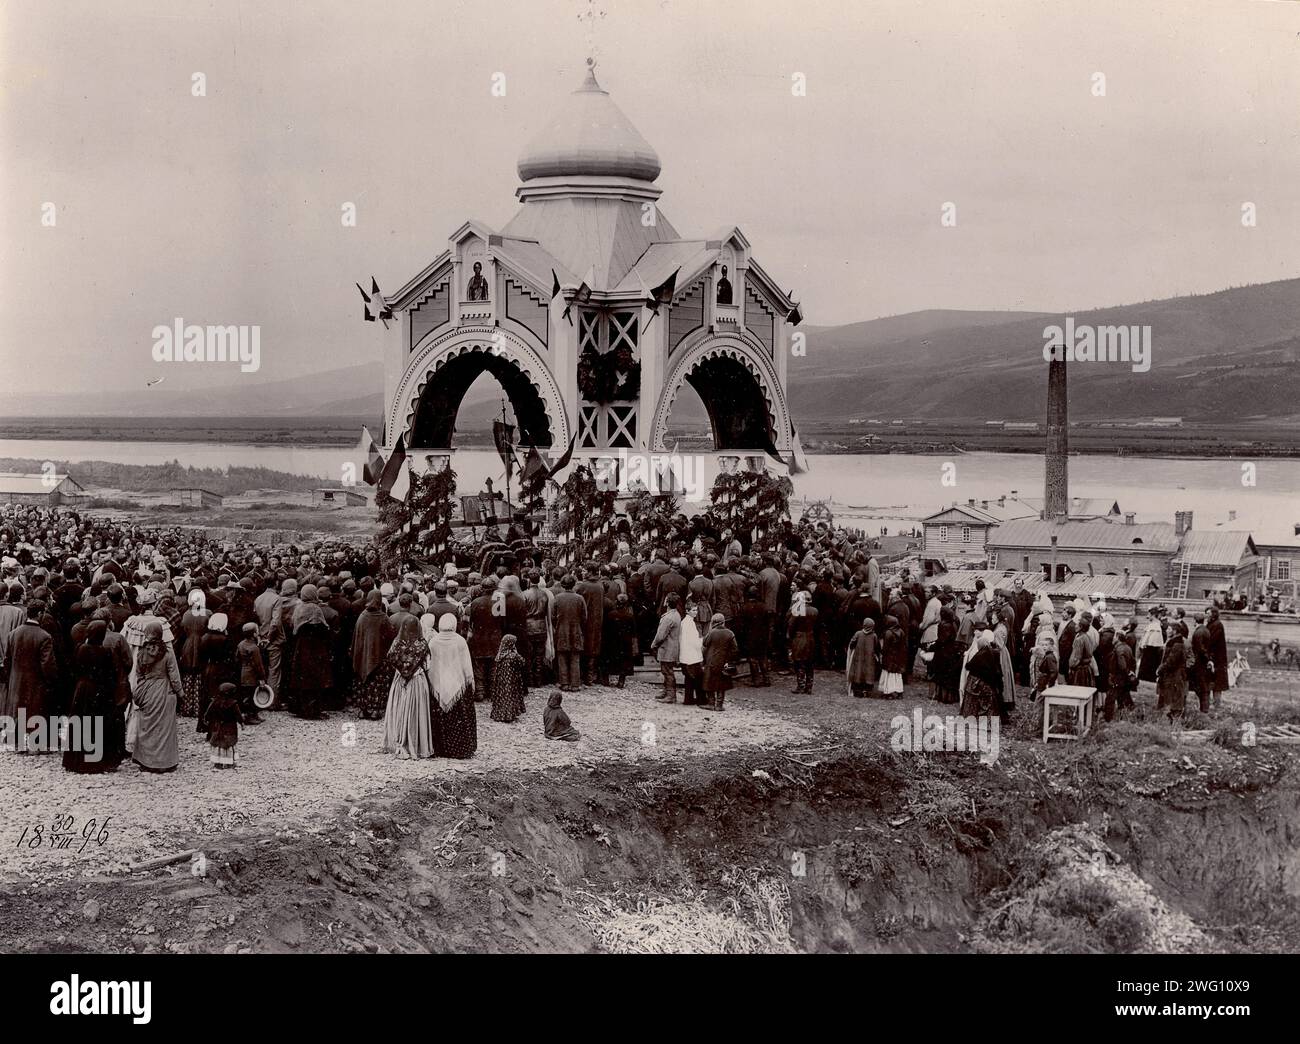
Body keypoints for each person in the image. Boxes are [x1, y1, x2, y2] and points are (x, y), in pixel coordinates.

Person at [63, 620, 123, 773]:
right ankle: (96, 759)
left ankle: (76, 760)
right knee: (98, 723)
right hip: (99, 690)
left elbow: (73, 669)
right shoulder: (106, 652)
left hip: (82, 688)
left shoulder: (80, 649)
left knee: (79, 722)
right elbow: (112, 675)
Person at [130, 619, 181, 773]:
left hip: (147, 689)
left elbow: (138, 673)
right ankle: (164, 762)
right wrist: (180, 692)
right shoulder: (167, 652)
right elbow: (174, 676)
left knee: (147, 725)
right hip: (164, 690)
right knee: (164, 727)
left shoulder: (142, 651)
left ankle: (145, 761)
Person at [381, 616, 434, 759]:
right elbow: (428, 665)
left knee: (398, 708)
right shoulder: (422, 644)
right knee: (416, 712)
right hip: (417, 681)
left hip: (399, 681)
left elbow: (391, 659)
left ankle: (396, 740)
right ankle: (415, 744)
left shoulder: (397, 642)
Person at [427, 613, 477, 759]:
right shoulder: (460, 641)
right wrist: (470, 682)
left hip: (438, 686)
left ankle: (440, 749)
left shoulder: (433, 642)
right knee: (459, 719)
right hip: (458, 688)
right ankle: (461, 750)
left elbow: (430, 667)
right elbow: (467, 666)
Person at [352, 589, 395, 719]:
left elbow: (356, 637)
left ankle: (362, 708)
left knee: (363, 682)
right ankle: (375, 709)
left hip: (362, 655)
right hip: (378, 656)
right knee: (377, 683)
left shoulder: (362, 616)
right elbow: (391, 636)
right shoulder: (383, 618)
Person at [551, 575, 586, 692]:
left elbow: (552, 617)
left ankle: (564, 683)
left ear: (562, 585)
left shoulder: (557, 598)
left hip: (561, 631)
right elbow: (584, 617)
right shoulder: (580, 598)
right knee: (575, 657)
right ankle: (575, 684)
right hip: (576, 630)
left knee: (562, 657)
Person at [700, 612, 738, 712]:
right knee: (722, 684)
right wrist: (728, 660)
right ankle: (719, 705)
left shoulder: (711, 633)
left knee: (709, 682)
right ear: (723, 622)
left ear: (713, 622)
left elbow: (704, 644)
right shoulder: (730, 633)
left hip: (711, 661)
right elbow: (735, 650)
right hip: (723, 662)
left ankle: (711, 703)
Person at [960, 631, 1002, 718]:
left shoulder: (981, 654)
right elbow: (996, 671)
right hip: (984, 683)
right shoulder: (993, 652)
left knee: (974, 701)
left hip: (975, 683)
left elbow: (969, 666)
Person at [489, 633, 528, 723]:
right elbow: (522, 662)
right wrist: (516, 653)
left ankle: (499, 715)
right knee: (510, 696)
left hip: (501, 681)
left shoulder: (499, 656)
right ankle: (509, 715)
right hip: (511, 681)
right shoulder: (513, 656)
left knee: (502, 697)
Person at [651, 593, 682, 703]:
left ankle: (671, 695)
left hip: (667, 648)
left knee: (667, 671)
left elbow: (660, 635)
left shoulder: (668, 618)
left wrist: (653, 645)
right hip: (672, 647)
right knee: (667, 671)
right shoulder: (675, 615)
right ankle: (667, 691)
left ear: (667, 602)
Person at [1156, 621, 1189, 720]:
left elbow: (1171, 661)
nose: (1166, 630)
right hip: (1171, 675)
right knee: (1170, 697)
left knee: (1174, 698)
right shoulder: (1172, 642)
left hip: (1175, 676)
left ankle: (1174, 722)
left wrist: (1160, 669)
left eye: (1169, 629)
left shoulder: (1177, 644)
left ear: (1174, 631)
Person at [204, 682, 242, 769]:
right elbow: (238, 714)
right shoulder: (233, 703)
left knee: (218, 744)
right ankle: (229, 762)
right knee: (228, 744)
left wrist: (206, 719)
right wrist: (241, 722)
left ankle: (218, 762)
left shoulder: (215, 702)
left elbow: (208, 712)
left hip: (217, 726)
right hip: (229, 727)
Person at [601, 593, 636, 688]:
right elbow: (633, 631)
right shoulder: (629, 616)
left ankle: (605, 679)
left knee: (608, 658)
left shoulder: (610, 615)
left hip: (611, 641)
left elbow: (605, 629)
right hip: (624, 642)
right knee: (624, 661)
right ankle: (621, 681)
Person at [234, 622, 265, 724]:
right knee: (252, 697)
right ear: (254, 634)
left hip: (243, 673)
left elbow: (236, 659)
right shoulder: (254, 648)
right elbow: (258, 665)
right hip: (252, 675)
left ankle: (252, 715)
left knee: (247, 696)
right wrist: (262, 678)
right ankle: (249, 717)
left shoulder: (240, 644)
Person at [787, 590, 818, 694]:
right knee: (809, 663)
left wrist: (790, 637)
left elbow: (791, 625)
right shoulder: (815, 610)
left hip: (799, 638)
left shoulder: (798, 609)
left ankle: (800, 686)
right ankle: (809, 687)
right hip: (810, 637)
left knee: (799, 663)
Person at [679, 600, 706, 706]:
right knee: (698, 678)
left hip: (686, 655)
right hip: (692, 655)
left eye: (696, 610)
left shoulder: (685, 622)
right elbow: (694, 641)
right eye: (693, 610)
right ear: (687, 611)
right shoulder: (689, 624)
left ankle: (688, 699)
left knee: (689, 679)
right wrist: (702, 641)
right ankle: (701, 699)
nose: (696, 612)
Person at [845, 617, 879, 698]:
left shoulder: (858, 633)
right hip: (869, 660)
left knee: (858, 672)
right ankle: (866, 691)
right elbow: (877, 646)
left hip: (858, 658)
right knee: (868, 674)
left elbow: (852, 643)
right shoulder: (874, 636)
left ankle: (857, 691)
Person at [879, 614, 907, 698]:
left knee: (888, 674)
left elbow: (885, 648)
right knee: (897, 675)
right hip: (898, 657)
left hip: (889, 657)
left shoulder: (888, 633)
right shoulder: (901, 631)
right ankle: (899, 692)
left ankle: (888, 692)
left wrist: (882, 653)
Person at [1207, 607, 1229, 706]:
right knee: (1212, 681)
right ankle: (1212, 703)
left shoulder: (1217, 625)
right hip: (1214, 657)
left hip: (1217, 658)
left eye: (1208, 613)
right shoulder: (1212, 624)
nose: (1206, 615)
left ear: (1213, 615)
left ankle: (1216, 703)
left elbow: (1211, 640)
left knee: (1217, 683)